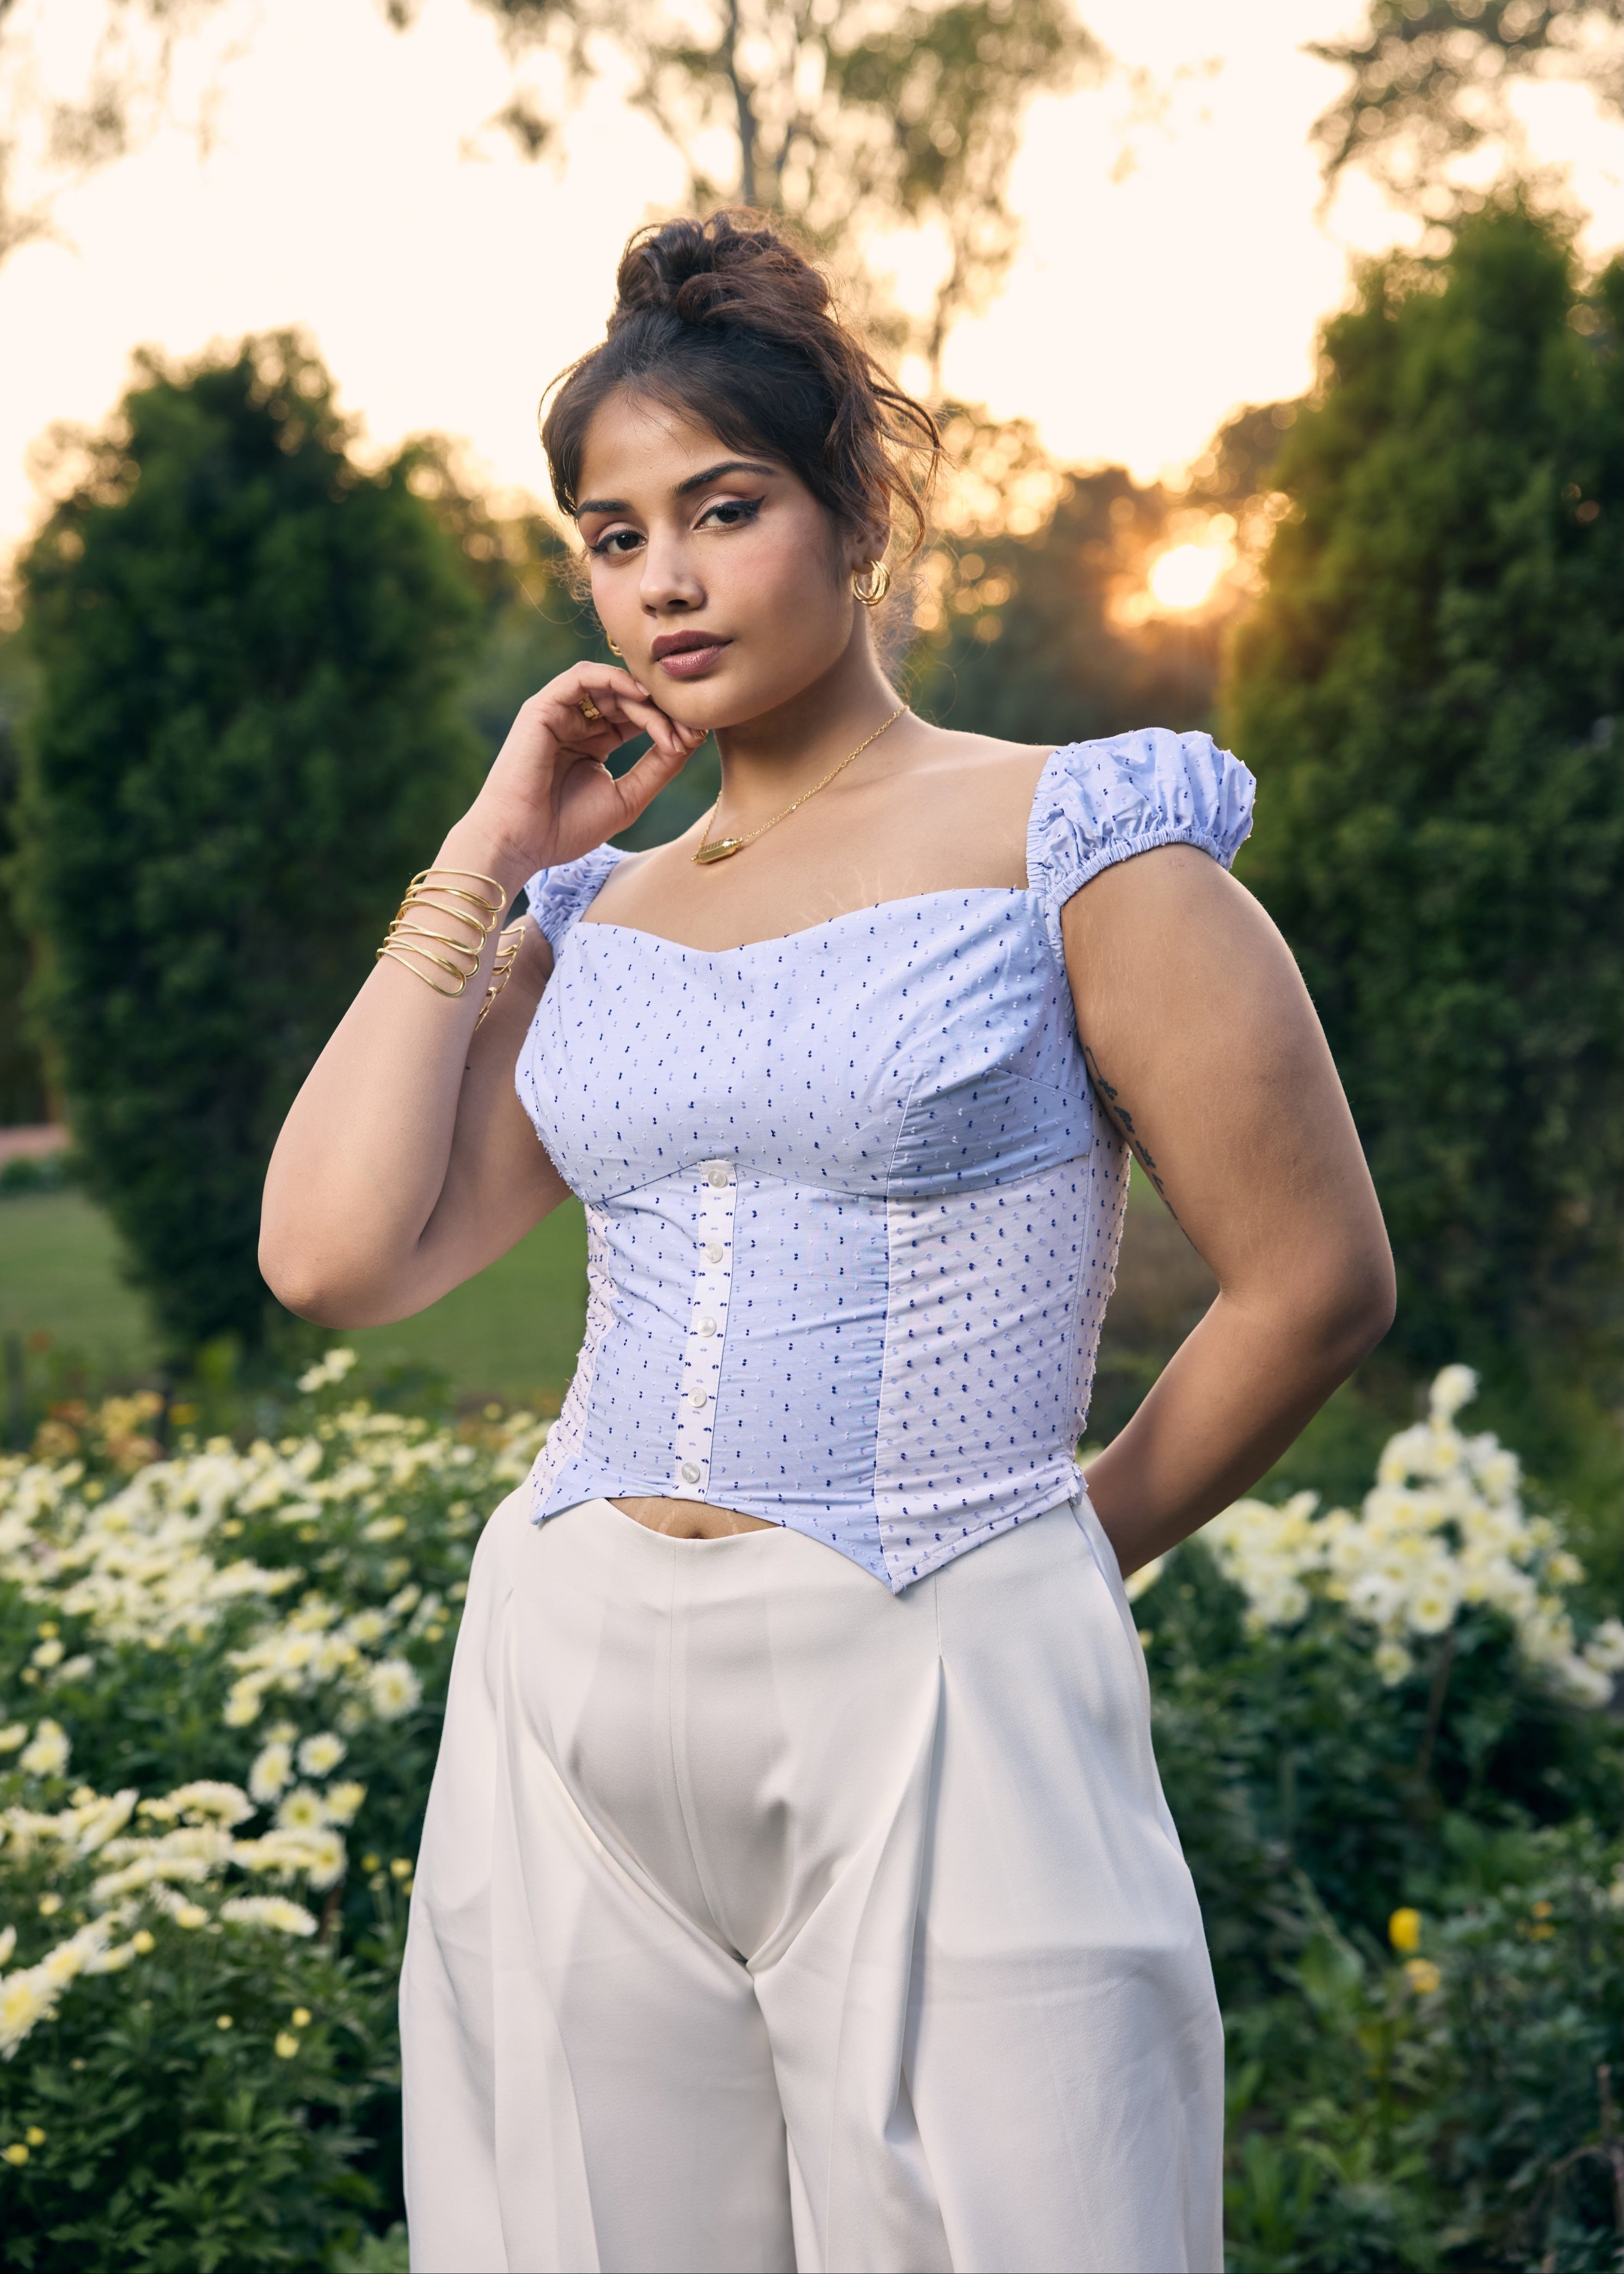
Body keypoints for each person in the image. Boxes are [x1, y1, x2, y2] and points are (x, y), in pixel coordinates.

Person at [260, 210, 1395, 2274]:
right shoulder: (593, 921)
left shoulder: (1080, 837)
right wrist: (489, 848)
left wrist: (1047, 1547)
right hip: (567, 1678)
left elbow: (1316, 1276)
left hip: (947, 1663)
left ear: (855, 513)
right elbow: (334, 1255)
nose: (666, 579)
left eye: (725, 507)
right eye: (613, 536)